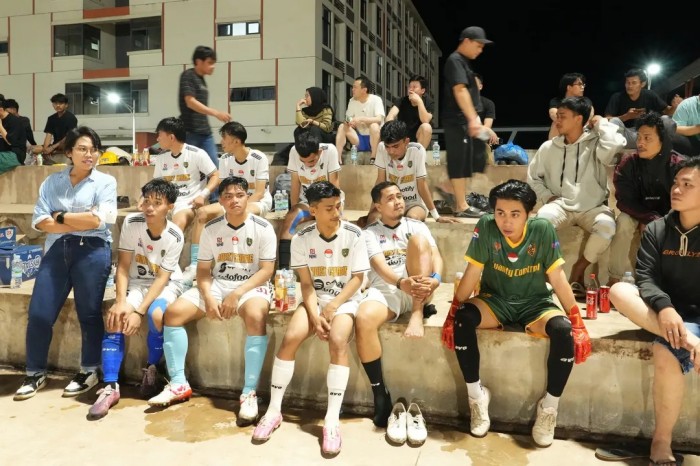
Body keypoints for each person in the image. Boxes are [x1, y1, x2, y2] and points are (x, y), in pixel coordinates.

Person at [441, 179, 591, 446]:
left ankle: (549, 408)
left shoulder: (542, 229)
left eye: (514, 214)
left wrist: (577, 320)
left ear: (529, 214)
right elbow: (472, 273)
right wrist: (452, 313)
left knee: (563, 330)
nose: (506, 221)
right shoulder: (486, 226)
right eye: (500, 213)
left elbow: (557, 277)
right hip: (495, 301)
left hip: (535, 303)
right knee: (463, 318)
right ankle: (477, 397)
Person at [252, 181, 370, 455]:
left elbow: (357, 279)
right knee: (291, 337)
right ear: (313, 210)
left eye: (338, 206)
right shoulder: (302, 238)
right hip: (315, 300)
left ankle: (331, 420)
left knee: (338, 341)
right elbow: (306, 284)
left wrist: (332, 308)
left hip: (345, 300)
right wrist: (316, 316)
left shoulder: (354, 234)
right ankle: (274, 411)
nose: (336, 213)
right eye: (329, 208)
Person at [147, 176, 276, 422]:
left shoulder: (263, 227)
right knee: (173, 314)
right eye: (228, 196)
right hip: (217, 284)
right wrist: (207, 296)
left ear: (248, 198)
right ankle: (178, 383)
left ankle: (249, 392)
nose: (234, 200)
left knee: (256, 316)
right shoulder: (211, 228)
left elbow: (267, 270)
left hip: (252, 286)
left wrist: (237, 294)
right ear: (221, 201)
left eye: (240, 195)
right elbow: (203, 270)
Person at [13, 126, 117, 401]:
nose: (89, 154)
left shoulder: (105, 182)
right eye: (82, 149)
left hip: (93, 250)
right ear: (69, 152)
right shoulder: (52, 182)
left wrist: (59, 216)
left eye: (94, 149)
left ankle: (89, 370)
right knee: (39, 313)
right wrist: (80, 220)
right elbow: (40, 221)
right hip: (57, 250)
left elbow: (101, 221)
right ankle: (35, 372)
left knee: (89, 313)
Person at [609, 156, 700, 466]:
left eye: (687, 185)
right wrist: (665, 307)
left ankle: (662, 441)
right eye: (676, 183)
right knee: (619, 291)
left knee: (665, 350)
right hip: (665, 315)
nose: (676, 189)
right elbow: (645, 277)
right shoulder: (658, 229)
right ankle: (661, 441)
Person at [87, 178, 185, 419]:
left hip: (167, 284)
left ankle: (152, 369)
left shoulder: (175, 235)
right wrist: (121, 302)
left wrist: (139, 311)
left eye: (157, 203)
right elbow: (123, 266)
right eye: (147, 201)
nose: (150, 207)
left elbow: (162, 278)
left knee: (156, 314)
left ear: (170, 207)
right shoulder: (132, 223)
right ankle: (110, 386)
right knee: (115, 317)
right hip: (137, 283)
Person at [356, 181, 444, 429]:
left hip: (419, 286)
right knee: (363, 319)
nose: (398, 201)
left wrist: (436, 280)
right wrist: (399, 282)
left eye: (399, 196)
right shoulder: (369, 233)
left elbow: (436, 257)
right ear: (378, 206)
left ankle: (417, 312)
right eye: (390, 198)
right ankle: (379, 393)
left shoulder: (416, 226)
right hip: (389, 287)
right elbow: (378, 265)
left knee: (418, 241)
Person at [527, 96, 625, 295]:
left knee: (607, 226)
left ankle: (579, 270)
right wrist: (547, 196)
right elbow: (533, 178)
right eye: (557, 116)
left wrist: (601, 123)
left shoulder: (596, 143)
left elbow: (615, 144)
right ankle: (546, 275)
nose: (557, 120)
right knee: (540, 223)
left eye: (562, 116)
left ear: (579, 118)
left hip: (594, 207)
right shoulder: (549, 147)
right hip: (560, 204)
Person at [608, 112, 686, 286]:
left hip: (668, 215)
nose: (640, 143)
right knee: (623, 222)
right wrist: (648, 217)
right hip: (637, 213)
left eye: (647, 138)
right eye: (639, 137)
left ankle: (666, 281)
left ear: (662, 140)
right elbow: (624, 200)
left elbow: (685, 200)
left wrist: (660, 220)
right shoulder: (629, 163)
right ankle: (614, 278)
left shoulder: (678, 165)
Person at [152, 117, 220, 286]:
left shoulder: (197, 154)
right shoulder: (161, 158)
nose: (157, 139)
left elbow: (216, 175)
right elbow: (156, 184)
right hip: (166, 203)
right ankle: (150, 265)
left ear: (171, 137)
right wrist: (144, 200)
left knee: (178, 222)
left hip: (188, 203)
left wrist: (203, 195)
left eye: (160, 135)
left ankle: (186, 265)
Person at [192, 121, 271, 258]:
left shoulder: (259, 158)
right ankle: (195, 263)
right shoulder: (225, 159)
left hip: (257, 202)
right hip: (230, 202)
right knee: (202, 213)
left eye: (224, 138)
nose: (221, 142)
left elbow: (259, 193)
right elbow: (224, 190)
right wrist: (228, 205)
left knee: (238, 214)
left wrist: (236, 206)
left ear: (236, 141)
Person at [360, 120, 457, 226]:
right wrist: (371, 212)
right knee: (373, 220)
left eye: (395, 146)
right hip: (391, 203)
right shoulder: (381, 147)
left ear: (406, 141)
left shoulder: (417, 150)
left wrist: (437, 217)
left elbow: (422, 185)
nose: (391, 151)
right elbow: (380, 182)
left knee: (412, 219)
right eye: (388, 146)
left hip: (414, 204)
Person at [442, 26, 493, 218]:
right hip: (457, 119)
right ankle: (461, 206)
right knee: (459, 161)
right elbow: (460, 90)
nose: (480, 50)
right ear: (466, 41)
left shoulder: (464, 62)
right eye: (478, 46)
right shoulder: (455, 60)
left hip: (465, 119)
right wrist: (472, 119)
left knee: (475, 158)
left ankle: (449, 189)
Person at [278, 131, 341, 270]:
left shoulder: (330, 150)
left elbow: (335, 186)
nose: (307, 165)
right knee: (290, 220)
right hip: (307, 204)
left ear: (319, 151)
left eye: (311, 161)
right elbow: (295, 183)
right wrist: (293, 208)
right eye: (303, 162)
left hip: (329, 202)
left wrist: (337, 211)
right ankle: (283, 270)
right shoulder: (294, 151)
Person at [178, 45, 231, 169]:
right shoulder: (188, 76)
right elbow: (190, 101)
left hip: (205, 132)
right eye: (210, 63)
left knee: (214, 168)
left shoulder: (201, 79)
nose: (213, 66)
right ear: (199, 62)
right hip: (190, 132)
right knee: (189, 170)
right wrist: (216, 113)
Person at [604, 68, 682, 149]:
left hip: (648, 134)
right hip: (627, 135)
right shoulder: (617, 97)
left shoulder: (650, 95)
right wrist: (626, 116)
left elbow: (667, 111)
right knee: (614, 121)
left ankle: (663, 150)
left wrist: (674, 107)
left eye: (634, 83)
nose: (630, 86)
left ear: (642, 84)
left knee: (666, 120)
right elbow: (607, 119)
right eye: (627, 82)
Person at [335, 76, 385, 165]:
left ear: (364, 90)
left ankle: (373, 157)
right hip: (359, 138)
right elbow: (348, 118)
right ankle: (337, 159)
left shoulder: (376, 100)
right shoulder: (352, 101)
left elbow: (379, 119)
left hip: (374, 137)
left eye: (355, 87)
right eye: (352, 87)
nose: (352, 89)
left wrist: (361, 119)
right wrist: (349, 122)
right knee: (342, 126)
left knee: (374, 126)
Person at [385, 75, 434, 149]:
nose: (411, 89)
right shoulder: (402, 100)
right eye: (410, 87)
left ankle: (419, 154)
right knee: (388, 124)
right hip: (402, 136)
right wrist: (391, 129)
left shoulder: (428, 102)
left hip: (418, 136)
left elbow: (425, 120)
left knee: (427, 127)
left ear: (422, 90)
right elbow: (390, 115)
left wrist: (419, 102)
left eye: (414, 87)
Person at [33, 93, 78, 165]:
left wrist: (52, 148)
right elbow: (48, 135)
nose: (58, 105)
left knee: (65, 144)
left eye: (61, 103)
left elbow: (69, 136)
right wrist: (45, 149)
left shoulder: (71, 118)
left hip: (66, 145)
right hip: (55, 146)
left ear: (66, 105)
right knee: (34, 149)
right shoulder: (51, 118)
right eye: (55, 103)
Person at [547, 73, 590, 140]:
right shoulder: (557, 101)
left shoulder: (585, 101)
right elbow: (553, 114)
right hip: (563, 130)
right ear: (569, 87)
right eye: (579, 84)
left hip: (580, 132)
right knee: (556, 123)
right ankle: (554, 144)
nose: (582, 87)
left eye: (583, 84)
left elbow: (589, 117)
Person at [473, 73, 499, 163]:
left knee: (486, 149)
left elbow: (487, 126)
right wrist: (489, 131)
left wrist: (487, 130)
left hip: (480, 139)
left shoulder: (488, 104)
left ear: (480, 86)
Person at [0, 99, 28, 166]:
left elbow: (10, 142)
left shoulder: (15, 121)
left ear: (1, 109)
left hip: (14, 155)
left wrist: (0, 126)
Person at [671, 92, 700, 156]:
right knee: (674, 137)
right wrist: (697, 128)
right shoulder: (687, 104)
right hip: (694, 144)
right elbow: (675, 128)